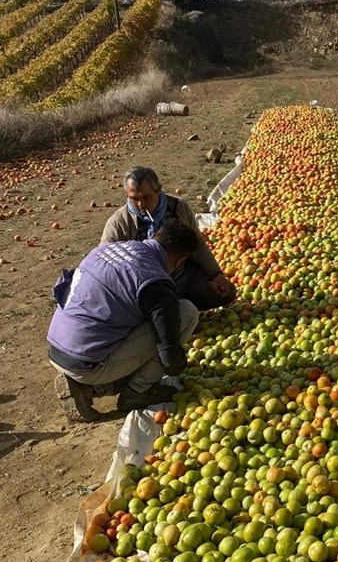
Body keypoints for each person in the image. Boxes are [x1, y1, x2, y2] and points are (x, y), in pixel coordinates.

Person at [47, 219, 200, 422]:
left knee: (136, 315)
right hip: (87, 363)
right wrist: (181, 367)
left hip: (57, 350)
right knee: (186, 313)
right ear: (180, 260)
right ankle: (136, 392)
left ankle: (87, 387)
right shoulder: (155, 282)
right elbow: (169, 356)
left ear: (153, 237)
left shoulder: (106, 249)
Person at [102, 166, 235, 312]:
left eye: (146, 197)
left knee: (226, 293)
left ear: (158, 191)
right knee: (161, 315)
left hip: (182, 275)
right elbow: (105, 266)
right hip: (146, 287)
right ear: (127, 195)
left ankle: (180, 304)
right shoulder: (119, 223)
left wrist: (215, 274)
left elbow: (198, 244)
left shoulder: (178, 208)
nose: (141, 204)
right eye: (134, 199)